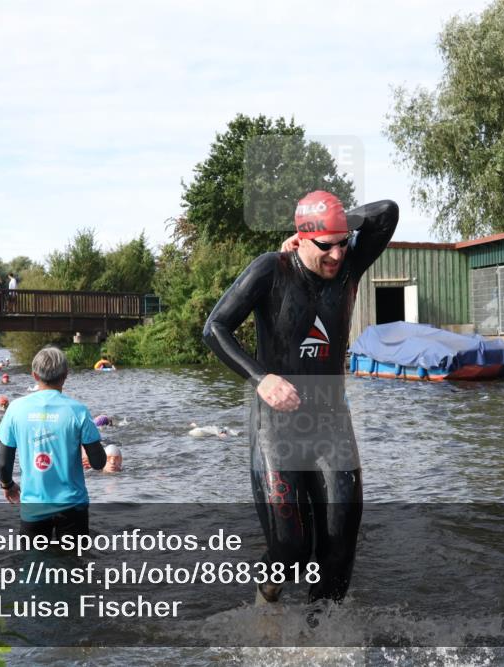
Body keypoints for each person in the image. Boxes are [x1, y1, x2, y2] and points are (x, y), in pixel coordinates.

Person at [203, 191, 398, 605]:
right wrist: (261, 378)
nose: (337, 255)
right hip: (277, 426)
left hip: (331, 424)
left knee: (339, 546)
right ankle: (266, 589)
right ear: (301, 238)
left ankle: (320, 638)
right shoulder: (270, 270)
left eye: (343, 243)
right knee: (291, 548)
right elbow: (214, 328)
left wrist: (335, 224)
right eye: (326, 246)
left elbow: (386, 212)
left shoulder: (348, 268)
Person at [0, 346, 106, 538]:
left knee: (32, 564)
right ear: (66, 375)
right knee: (75, 565)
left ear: (34, 375)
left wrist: (7, 485)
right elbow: (98, 463)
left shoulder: (15, 409)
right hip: (73, 506)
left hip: (33, 507)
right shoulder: (77, 411)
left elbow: (4, 463)